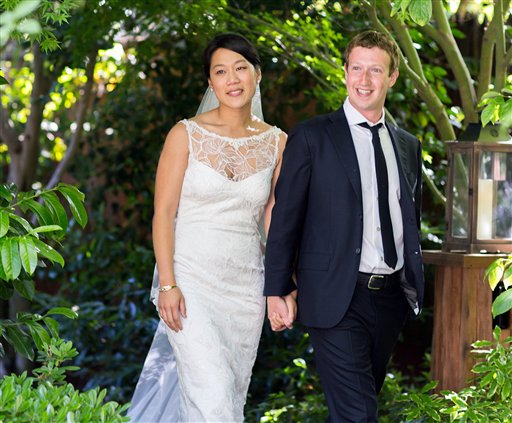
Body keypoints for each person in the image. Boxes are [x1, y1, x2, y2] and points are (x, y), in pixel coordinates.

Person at [264, 30, 424, 422]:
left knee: (354, 410)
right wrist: (277, 290)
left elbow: (409, 218)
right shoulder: (313, 136)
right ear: (345, 71)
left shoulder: (407, 145)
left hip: (389, 298)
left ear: (393, 77)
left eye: (375, 70)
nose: (364, 80)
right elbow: (285, 219)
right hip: (336, 295)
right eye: (356, 68)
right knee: (358, 414)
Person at [128, 33, 286, 422]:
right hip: (191, 283)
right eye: (220, 71)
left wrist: (280, 288)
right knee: (213, 399)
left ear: (257, 75)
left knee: (229, 398)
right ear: (211, 83)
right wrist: (167, 284)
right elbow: (163, 213)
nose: (232, 79)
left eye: (240, 68)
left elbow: (274, 220)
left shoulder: (278, 143)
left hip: (245, 290)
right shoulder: (185, 135)